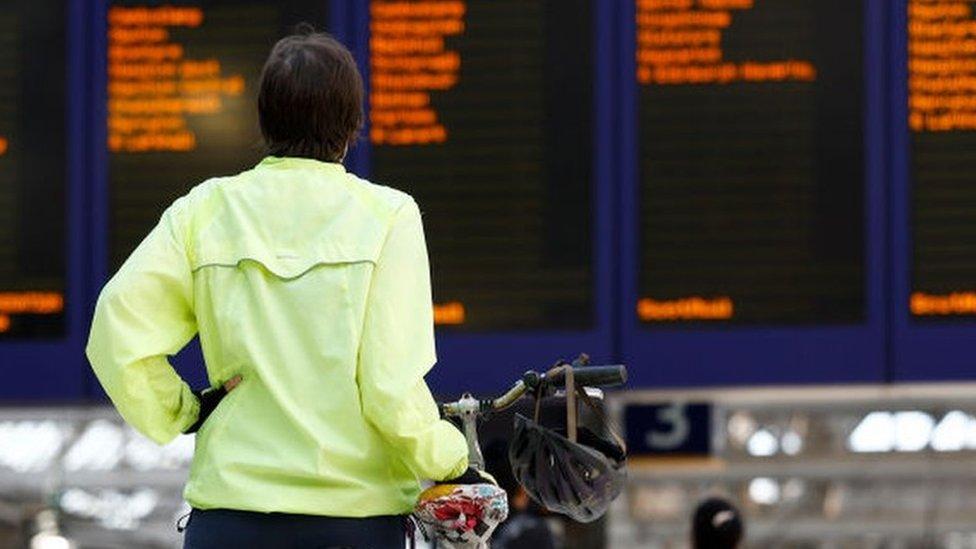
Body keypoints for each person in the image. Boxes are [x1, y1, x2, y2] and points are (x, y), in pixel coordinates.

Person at [87, 28, 480, 548]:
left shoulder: (203, 212)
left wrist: (183, 411)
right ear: (352, 124)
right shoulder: (388, 217)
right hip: (353, 526)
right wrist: (453, 458)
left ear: (265, 119)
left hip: (229, 525)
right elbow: (390, 389)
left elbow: (117, 333)